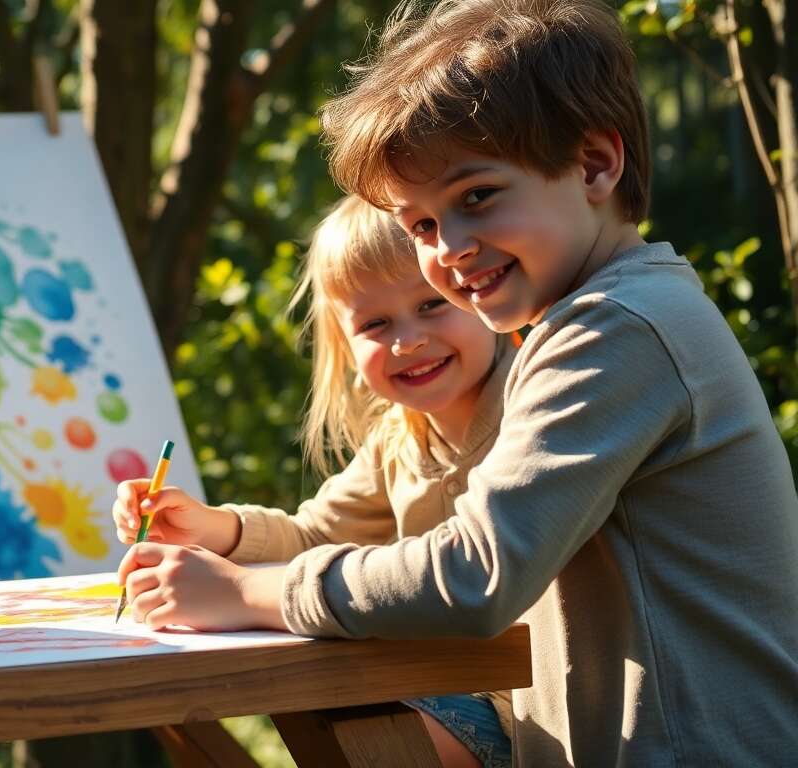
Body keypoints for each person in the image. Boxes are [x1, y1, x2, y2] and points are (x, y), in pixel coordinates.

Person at [127, 0, 798, 762]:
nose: (450, 249)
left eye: (476, 197)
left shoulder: (617, 329)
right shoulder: (605, 317)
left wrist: (248, 594)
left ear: (594, 165)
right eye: (419, 225)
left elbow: (476, 574)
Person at [115, 196, 515, 767]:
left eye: (432, 304)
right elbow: (313, 538)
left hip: (539, 718)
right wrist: (213, 528)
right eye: (375, 323)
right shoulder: (397, 440)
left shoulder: (530, 415)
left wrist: (237, 592)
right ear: (343, 343)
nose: (407, 340)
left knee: (357, 725)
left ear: (482, 292)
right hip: (451, 690)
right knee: (334, 704)